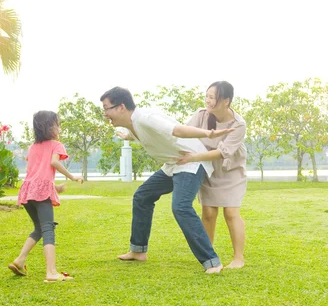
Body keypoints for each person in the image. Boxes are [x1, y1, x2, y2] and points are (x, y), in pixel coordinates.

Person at [100, 86, 234, 274]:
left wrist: (207, 134)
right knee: (142, 197)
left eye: (107, 108)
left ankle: (212, 261)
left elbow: (177, 130)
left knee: (181, 206)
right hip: (173, 164)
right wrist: (128, 136)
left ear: (121, 107)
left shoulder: (146, 118)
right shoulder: (135, 122)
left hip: (190, 162)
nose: (105, 114)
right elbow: (147, 133)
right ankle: (138, 251)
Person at [176, 81, 247, 269]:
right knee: (208, 212)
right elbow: (183, 132)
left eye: (212, 97)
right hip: (208, 167)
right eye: (207, 96)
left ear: (226, 101)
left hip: (230, 169)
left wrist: (194, 157)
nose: (208, 101)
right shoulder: (201, 115)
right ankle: (208, 254)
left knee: (231, 212)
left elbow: (223, 152)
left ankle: (238, 258)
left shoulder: (238, 124)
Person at [8, 110, 83, 283]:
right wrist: (72, 177)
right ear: (50, 127)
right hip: (39, 191)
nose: (59, 127)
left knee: (39, 228)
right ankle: (51, 272)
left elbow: (36, 174)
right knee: (48, 228)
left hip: (28, 190)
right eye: (57, 124)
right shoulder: (56, 145)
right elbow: (53, 163)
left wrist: (55, 188)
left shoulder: (33, 147)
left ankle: (19, 261)